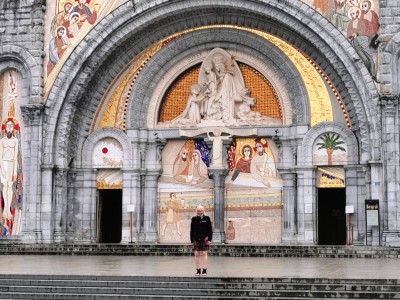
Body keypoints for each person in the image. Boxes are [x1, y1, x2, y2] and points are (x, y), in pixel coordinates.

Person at [0, 119, 19, 221]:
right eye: (8, 126)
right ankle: (5, 210)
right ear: (5, 128)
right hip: (4, 163)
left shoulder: (15, 140)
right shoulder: (2, 141)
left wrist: (15, 171)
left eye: (11, 126)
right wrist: (2, 168)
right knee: (5, 185)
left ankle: (8, 208)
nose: (9, 127)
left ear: (13, 128)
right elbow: (0, 155)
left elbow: (15, 156)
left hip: (12, 163)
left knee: (10, 185)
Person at [190, 205, 212, 276]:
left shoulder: (207, 218)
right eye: (198, 211)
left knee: (204, 253)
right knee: (196, 254)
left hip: (205, 238)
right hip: (196, 238)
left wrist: (209, 239)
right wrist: (191, 240)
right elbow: (192, 230)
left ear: (203, 211)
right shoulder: (193, 219)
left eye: (201, 211)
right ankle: (198, 270)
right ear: (196, 211)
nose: (199, 212)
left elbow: (210, 230)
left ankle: (204, 270)